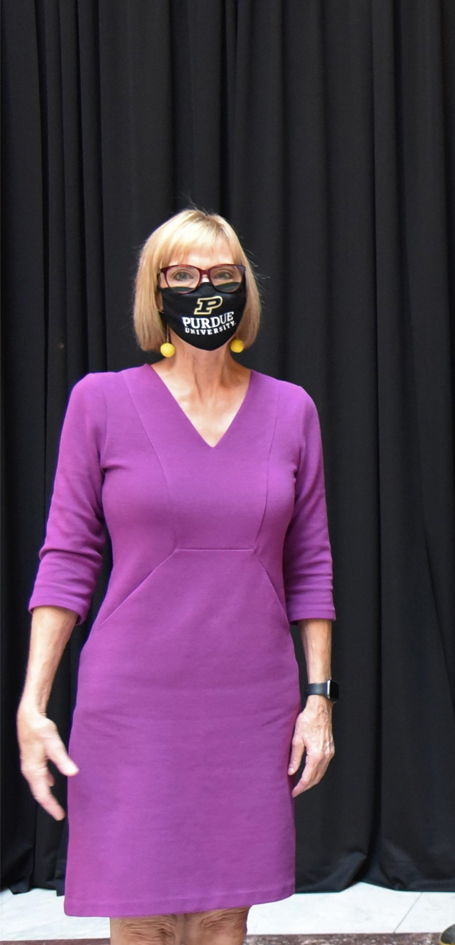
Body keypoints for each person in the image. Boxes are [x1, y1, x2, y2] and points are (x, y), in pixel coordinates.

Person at [16, 209, 337, 944]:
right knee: (145, 915)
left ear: (244, 289)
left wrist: (318, 700)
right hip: (132, 704)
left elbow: (311, 565)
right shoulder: (98, 401)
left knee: (225, 914)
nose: (205, 288)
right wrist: (33, 703)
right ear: (156, 291)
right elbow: (66, 558)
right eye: (184, 275)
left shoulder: (292, 410)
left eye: (223, 275)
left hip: (250, 698)